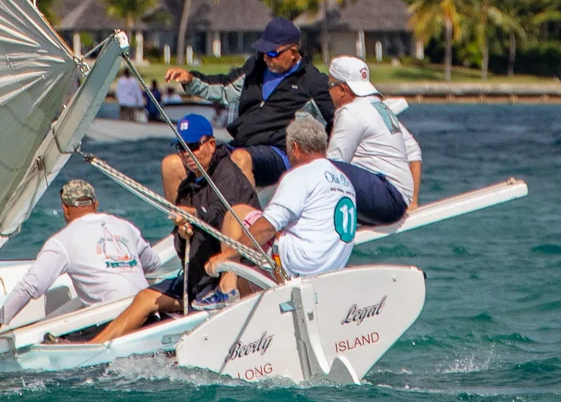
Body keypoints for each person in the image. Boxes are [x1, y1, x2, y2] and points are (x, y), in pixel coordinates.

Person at [89, 114, 258, 342]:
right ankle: (95, 346)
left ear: (210, 144)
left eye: (193, 147)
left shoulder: (228, 174)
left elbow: (223, 215)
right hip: (198, 281)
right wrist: (182, 234)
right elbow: (182, 247)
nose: (187, 154)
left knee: (231, 215)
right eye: (181, 148)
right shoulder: (188, 187)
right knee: (145, 298)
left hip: (230, 279)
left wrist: (196, 216)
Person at [162, 17, 334, 199]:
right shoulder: (255, 67)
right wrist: (191, 80)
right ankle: (185, 225)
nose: (266, 58)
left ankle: (245, 223)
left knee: (240, 159)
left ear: (293, 52)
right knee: (172, 164)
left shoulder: (314, 82)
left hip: (279, 153)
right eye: (263, 51)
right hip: (241, 145)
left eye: (273, 53)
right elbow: (224, 87)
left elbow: (336, 122)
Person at [0, 180, 161, 339]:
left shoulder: (61, 241)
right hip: (149, 313)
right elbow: (153, 264)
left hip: (114, 322)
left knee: (55, 338)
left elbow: (30, 287)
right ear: (95, 204)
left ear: (65, 208)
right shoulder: (125, 226)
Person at [204, 118, 357, 294]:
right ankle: (241, 295)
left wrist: (226, 255)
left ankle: (226, 289)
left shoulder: (300, 175)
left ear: (295, 147)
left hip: (297, 267)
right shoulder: (346, 182)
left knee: (236, 214)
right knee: (248, 278)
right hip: (329, 272)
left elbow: (267, 228)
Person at [325, 56, 423, 224]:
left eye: (330, 86)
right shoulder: (381, 108)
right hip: (400, 200)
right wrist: (413, 200)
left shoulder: (351, 112)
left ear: (342, 89)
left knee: (321, 168)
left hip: (386, 200)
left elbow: (332, 165)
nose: (328, 92)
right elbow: (414, 150)